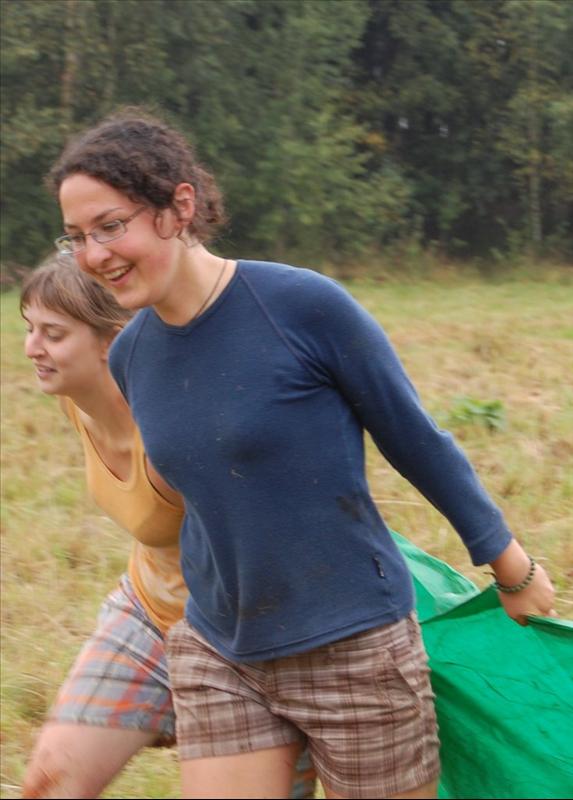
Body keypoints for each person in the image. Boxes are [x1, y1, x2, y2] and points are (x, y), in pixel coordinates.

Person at [47, 108, 557, 800]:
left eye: (111, 226)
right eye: (77, 237)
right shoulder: (132, 355)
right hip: (220, 649)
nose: (93, 255)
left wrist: (511, 567)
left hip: (354, 646)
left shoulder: (302, 306)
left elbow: (415, 439)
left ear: (179, 207)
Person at [19, 260, 316, 799]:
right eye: (29, 328)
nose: (31, 348)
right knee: (51, 783)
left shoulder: (178, 426)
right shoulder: (74, 399)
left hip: (248, 640)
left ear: (113, 342)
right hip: (150, 610)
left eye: (53, 334)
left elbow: (277, 524)